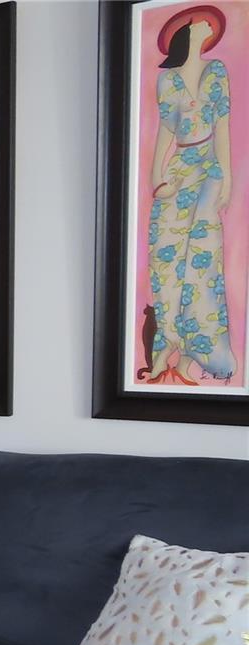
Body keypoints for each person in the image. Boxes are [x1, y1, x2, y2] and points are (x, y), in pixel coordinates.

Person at [144, 5, 236, 385]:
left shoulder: (217, 72)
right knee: (165, 260)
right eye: (199, 23)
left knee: (201, 263)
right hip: (179, 167)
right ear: (185, 32)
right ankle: (168, 347)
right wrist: (156, 177)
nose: (206, 27)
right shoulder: (167, 80)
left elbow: (224, 126)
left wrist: (227, 178)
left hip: (209, 169)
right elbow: (165, 133)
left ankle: (194, 357)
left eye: (207, 24)